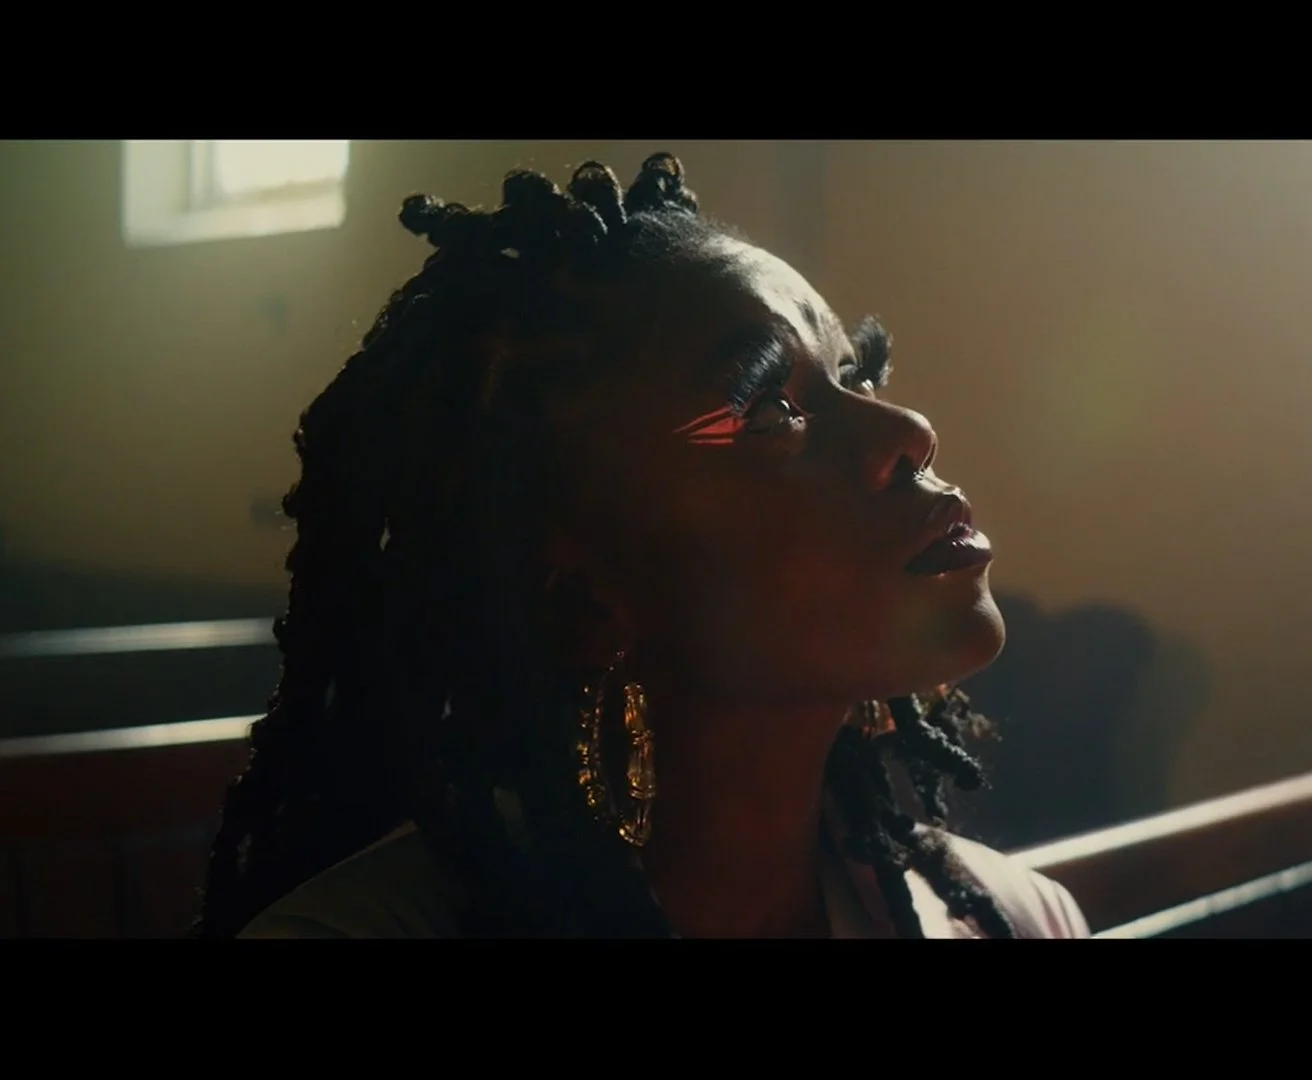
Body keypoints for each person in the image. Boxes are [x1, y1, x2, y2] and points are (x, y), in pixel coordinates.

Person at [192, 152, 1090, 939]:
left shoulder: (1014, 919)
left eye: (854, 376)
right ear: (582, 590)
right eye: (770, 411)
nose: (910, 429)